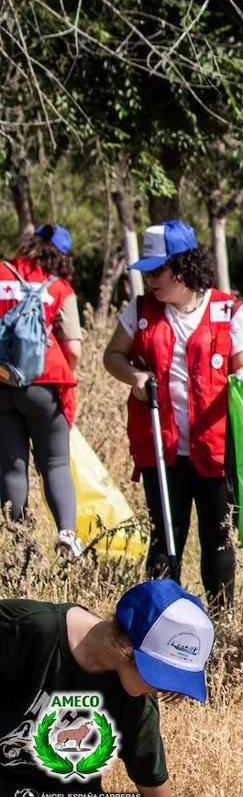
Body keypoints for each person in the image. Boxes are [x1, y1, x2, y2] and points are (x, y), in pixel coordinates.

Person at [102, 221, 243, 611]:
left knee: (217, 537)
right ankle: (160, 620)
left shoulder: (229, 310)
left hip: (215, 448)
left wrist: (242, 379)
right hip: (161, 446)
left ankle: (221, 618)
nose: (150, 279)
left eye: (157, 270)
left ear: (183, 267)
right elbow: (112, 356)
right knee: (166, 537)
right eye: (147, 271)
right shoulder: (140, 310)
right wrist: (135, 376)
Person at [0, 578, 215, 797]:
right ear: (127, 647)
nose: (161, 689)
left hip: (59, 793)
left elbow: (148, 768)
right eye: (159, 675)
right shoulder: (28, 629)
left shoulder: (136, 695)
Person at [0, 225, 83, 558]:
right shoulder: (60, 288)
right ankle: (67, 533)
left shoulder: (1, 274)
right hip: (46, 381)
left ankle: (19, 541)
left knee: (10, 467)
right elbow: (74, 349)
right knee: (55, 463)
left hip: (2, 381)